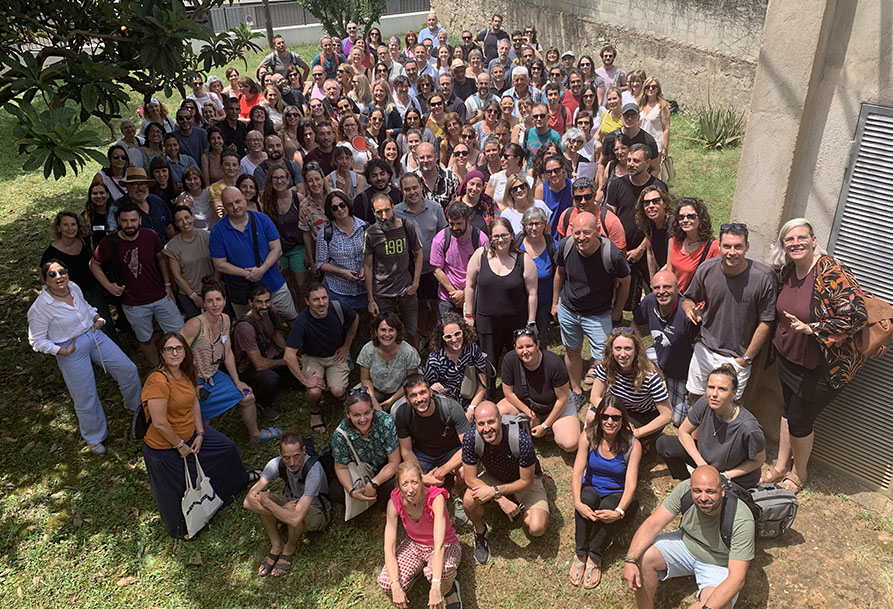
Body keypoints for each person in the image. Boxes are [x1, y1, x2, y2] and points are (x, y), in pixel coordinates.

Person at [762, 218, 869, 494]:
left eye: (801, 238)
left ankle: (799, 473)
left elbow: (856, 315)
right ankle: (782, 465)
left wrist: (814, 328)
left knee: (800, 419)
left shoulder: (830, 271)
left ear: (814, 241)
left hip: (821, 366)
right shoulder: (789, 270)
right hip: (788, 357)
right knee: (788, 409)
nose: (796, 243)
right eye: (789, 239)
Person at [141, 332, 250, 539]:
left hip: (191, 432)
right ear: (162, 353)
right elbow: (160, 422)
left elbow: (194, 404)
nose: (175, 353)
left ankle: (231, 489)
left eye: (179, 348)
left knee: (226, 448)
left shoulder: (186, 372)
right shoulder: (157, 381)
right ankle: (183, 528)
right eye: (169, 349)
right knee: (177, 488)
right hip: (165, 445)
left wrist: (200, 432)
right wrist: (179, 445)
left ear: (185, 351)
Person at [28, 259, 141, 455]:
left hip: (94, 335)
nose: (59, 277)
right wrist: (61, 351)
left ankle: (136, 407)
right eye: (52, 274)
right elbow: (36, 340)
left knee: (127, 369)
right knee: (85, 395)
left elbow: (85, 307)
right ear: (45, 279)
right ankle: (94, 438)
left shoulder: (73, 287)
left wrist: (96, 317)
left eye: (62, 271)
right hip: (69, 348)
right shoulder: (40, 307)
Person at [622, 466, 754, 609]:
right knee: (643, 556)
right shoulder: (684, 490)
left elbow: (737, 578)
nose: (703, 498)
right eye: (697, 491)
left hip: (718, 563)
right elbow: (653, 524)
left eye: (710, 492)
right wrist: (630, 559)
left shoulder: (741, 519)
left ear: (722, 490)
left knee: (719, 605)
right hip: (685, 543)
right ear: (691, 488)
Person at [682, 223, 776, 400]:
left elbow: (766, 322)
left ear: (747, 247)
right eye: (727, 246)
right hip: (705, 349)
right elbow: (688, 298)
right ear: (719, 246)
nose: (732, 252)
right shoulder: (707, 269)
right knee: (695, 399)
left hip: (737, 358)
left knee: (727, 408)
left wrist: (745, 359)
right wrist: (689, 309)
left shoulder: (764, 278)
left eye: (738, 247)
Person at [180, 281, 278, 444]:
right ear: (204, 303)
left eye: (218, 299)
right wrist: (193, 384)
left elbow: (227, 352)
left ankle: (255, 435)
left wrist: (237, 381)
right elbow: (176, 355)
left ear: (225, 300)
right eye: (210, 301)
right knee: (202, 417)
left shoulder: (225, 320)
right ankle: (205, 446)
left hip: (213, 374)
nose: (215, 304)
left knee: (247, 397)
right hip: (191, 378)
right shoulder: (194, 325)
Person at [552, 212, 631, 410]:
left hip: (598, 314)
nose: (581, 237)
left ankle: (600, 397)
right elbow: (560, 273)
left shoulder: (612, 254)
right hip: (569, 309)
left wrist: (618, 309)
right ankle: (577, 391)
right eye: (577, 232)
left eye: (586, 232)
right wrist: (555, 303)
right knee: (572, 351)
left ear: (598, 230)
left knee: (605, 357)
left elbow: (625, 281)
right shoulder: (566, 246)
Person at [90, 203, 184, 365]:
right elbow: (93, 264)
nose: (129, 224)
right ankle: (159, 368)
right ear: (118, 221)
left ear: (140, 220)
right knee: (145, 338)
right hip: (133, 303)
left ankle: (184, 366)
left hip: (160, 295)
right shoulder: (109, 243)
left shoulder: (150, 235)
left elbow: (161, 257)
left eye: (133, 220)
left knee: (179, 333)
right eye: (125, 221)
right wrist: (108, 285)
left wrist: (167, 284)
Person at [462, 401, 549, 564]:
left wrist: (494, 491)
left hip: (523, 479)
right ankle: (480, 531)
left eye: (491, 422)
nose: (487, 428)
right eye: (481, 424)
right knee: (468, 500)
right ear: (475, 424)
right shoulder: (470, 438)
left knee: (537, 527)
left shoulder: (521, 440)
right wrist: (499, 497)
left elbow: (527, 482)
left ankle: (517, 501)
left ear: (500, 419)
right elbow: (470, 479)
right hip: (494, 476)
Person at [657, 365, 767, 489]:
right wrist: (702, 465)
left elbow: (758, 460)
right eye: (711, 387)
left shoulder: (748, 428)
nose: (714, 394)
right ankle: (691, 482)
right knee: (665, 444)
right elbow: (683, 431)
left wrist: (726, 475)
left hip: (732, 475)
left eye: (722, 389)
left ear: (734, 394)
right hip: (705, 462)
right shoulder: (705, 402)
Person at [571, 396, 641, 589]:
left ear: (623, 419)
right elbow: (577, 472)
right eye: (605, 416)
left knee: (609, 508)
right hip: (592, 487)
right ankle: (580, 553)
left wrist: (618, 512)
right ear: (599, 417)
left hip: (617, 492)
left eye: (616, 418)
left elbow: (631, 485)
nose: (610, 422)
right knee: (585, 498)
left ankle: (595, 555)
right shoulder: (588, 436)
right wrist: (577, 502)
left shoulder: (633, 445)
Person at [464, 217, 539, 390]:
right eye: (496, 236)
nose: (500, 239)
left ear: (512, 235)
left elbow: (532, 293)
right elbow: (469, 286)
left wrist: (531, 321)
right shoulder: (480, 255)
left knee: (520, 359)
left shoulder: (523, 259)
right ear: (490, 238)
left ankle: (520, 393)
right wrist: (469, 315)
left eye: (504, 235)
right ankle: (486, 395)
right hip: (486, 322)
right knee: (487, 361)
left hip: (516, 321)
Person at [243, 433, 331, 578]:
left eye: (296, 456)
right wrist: (280, 510)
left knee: (290, 511)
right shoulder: (275, 464)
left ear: (303, 451)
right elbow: (247, 502)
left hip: (316, 509)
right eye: (287, 458)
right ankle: (276, 545)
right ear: (280, 454)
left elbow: (295, 519)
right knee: (263, 498)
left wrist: (270, 506)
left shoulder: (313, 469)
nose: (292, 462)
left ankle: (290, 547)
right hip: (290, 502)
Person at [379, 460, 464, 609]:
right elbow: (389, 548)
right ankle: (416, 574)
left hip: (445, 544)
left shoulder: (435, 498)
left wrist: (436, 585)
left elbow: (439, 545)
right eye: (405, 484)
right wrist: (395, 584)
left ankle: (449, 590)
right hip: (414, 544)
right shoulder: (394, 502)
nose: (410, 489)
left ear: (422, 481)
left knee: (442, 573)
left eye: (414, 482)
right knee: (386, 583)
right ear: (398, 486)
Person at [209, 187, 299, 321]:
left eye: (238, 201)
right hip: (243, 291)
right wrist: (247, 274)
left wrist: (262, 270)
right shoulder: (218, 231)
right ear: (224, 206)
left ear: (244, 199)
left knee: (290, 317)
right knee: (247, 326)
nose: (235, 207)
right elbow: (219, 264)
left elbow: (277, 249)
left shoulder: (262, 219)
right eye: (229, 204)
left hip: (273, 284)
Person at [283, 279, 357, 432]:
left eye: (324, 298)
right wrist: (305, 380)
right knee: (313, 391)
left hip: (336, 355)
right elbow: (288, 356)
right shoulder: (302, 321)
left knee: (337, 391)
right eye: (316, 299)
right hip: (313, 357)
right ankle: (315, 412)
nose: (322, 303)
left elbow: (355, 319)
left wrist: (346, 346)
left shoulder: (338, 308)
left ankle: (340, 391)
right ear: (307, 302)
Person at [42, 211, 120, 345]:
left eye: (73, 224)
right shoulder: (51, 253)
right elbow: (45, 279)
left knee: (104, 323)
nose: (70, 228)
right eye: (65, 225)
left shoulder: (83, 242)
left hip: (93, 290)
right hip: (72, 296)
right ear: (58, 228)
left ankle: (113, 350)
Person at [498, 327, 581, 452]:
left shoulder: (554, 363)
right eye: (520, 347)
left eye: (529, 346)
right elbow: (508, 393)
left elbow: (562, 399)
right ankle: (526, 426)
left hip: (556, 404)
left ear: (537, 345)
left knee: (570, 443)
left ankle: (551, 427)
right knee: (497, 414)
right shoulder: (509, 360)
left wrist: (545, 425)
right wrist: (531, 415)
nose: (525, 351)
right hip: (527, 402)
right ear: (515, 347)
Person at [633, 270, 699, 425]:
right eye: (657, 287)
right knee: (630, 360)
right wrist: (638, 349)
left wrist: (694, 384)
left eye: (667, 287)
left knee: (678, 420)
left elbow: (697, 353)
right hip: (659, 358)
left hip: (682, 373)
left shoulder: (687, 315)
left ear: (677, 287)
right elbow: (634, 322)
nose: (661, 292)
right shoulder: (649, 301)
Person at [587, 330, 673, 442]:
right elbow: (594, 397)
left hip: (645, 415)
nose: (622, 354)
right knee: (591, 417)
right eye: (618, 348)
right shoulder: (607, 366)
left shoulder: (650, 376)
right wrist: (616, 416)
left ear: (636, 350)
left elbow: (667, 415)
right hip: (620, 409)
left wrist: (637, 432)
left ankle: (639, 443)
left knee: (622, 435)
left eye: (628, 348)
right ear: (611, 350)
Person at [233, 283, 298, 422]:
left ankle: (283, 382)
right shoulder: (245, 327)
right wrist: (286, 361)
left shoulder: (272, 311)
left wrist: (290, 353)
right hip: (250, 366)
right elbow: (259, 364)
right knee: (270, 378)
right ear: (250, 302)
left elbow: (275, 334)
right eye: (259, 302)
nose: (264, 306)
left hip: (270, 355)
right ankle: (264, 404)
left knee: (298, 373)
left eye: (267, 301)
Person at [364, 193, 424, 345]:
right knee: (387, 335)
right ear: (373, 212)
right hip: (383, 295)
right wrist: (371, 299)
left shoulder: (407, 226)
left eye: (387, 210)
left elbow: (418, 253)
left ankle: (415, 358)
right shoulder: (370, 234)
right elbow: (368, 266)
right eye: (379, 212)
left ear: (393, 207)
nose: (384, 216)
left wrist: (416, 283)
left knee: (412, 331)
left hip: (406, 292)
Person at [395, 172, 447, 342]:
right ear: (401, 190)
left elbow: (443, 234)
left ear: (421, 187)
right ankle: (423, 333)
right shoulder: (396, 211)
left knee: (436, 302)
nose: (412, 192)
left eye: (415, 187)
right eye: (407, 189)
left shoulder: (435, 208)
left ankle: (437, 334)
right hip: (409, 268)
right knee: (419, 303)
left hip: (434, 267)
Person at [331, 388, 401, 508]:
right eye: (356, 415)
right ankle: (367, 496)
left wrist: (374, 483)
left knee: (393, 483)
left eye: (367, 413)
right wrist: (352, 491)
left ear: (373, 410)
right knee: (336, 491)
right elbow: (341, 467)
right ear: (348, 414)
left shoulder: (386, 422)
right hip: (360, 469)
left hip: (383, 467)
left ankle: (376, 497)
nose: (363, 419)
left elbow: (394, 462)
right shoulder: (341, 434)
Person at [431, 202, 489, 317]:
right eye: (451, 224)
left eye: (459, 224)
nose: (455, 228)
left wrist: (464, 293)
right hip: (448, 297)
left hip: (473, 295)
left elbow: (485, 271)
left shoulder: (481, 240)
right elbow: (437, 270)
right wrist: (454, 294)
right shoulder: (441, 239)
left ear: (468, 220)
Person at [424, 312, 489, 414]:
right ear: (442, 338)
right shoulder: (435, 359)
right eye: (448, 337)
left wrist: (471, 409)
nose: (454, 339)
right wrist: (432, 386)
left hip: (472, 400)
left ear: (463, 331)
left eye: (457, 334)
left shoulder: (472, 350)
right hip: (447, 405)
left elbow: (483, 385)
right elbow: (425, 387)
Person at [316, 190, 369, 311]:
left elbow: (375, 254)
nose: (340, 209)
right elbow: (321, 263)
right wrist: (342, 272)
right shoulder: (325, 233)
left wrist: (366, 268)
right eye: (334, 208)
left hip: (365, 288)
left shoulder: (365, 227)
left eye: (342, 205)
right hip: (338, 290)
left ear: (348, 205)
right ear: (330, 212)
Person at [358, 313, 421, 412]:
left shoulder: (408, 352)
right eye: (383, 330)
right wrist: (373, 400)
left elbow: (410, 382)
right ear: (376, 331)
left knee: (396, 412)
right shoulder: (368, 350)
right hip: (376, 389)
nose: (387, 334)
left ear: (397, 332)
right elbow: (365, 378)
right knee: (357, 401)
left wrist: (391, 401)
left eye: (391, 330)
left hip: (402, 390)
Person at [163, 205, 215, 319]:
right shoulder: (172, 246)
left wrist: (215, 286)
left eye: (187, 217)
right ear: (176, 224)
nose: (185, 222)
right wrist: (193, 296)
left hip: (213, 290)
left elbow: (218, 264)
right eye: (179, 220)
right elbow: (176, 276)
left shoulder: (208, 236)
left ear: (193, 217)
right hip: (189, 294)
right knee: (198, 327)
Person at [666, 197, 721, 294]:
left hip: (695, 300)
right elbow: (669, 270)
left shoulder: (713, 247)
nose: (685, 220)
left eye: (691, 216)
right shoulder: (675, 240)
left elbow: (716, 281)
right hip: (674, 296)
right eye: (681, 217)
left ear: (701, 218)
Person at [106, 168, 174, 244]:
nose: (140, 188)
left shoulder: (157, 201)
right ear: (127, 187)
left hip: (164, 249)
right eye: (135, 184)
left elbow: (169, 227)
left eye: (143, 184)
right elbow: (112, 235)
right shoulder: (116, 208)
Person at [555, 177, 626, 248]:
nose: (583, 201)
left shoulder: (610, 221)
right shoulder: (566, 216)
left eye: (587, 197)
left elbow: (620, 251)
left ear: (594, 196)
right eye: (578, 198)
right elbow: (561, 246)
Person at [635, 185, 673, 277]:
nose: (651, 206)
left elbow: (671, 261)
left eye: (656, 201)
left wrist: (658, 278)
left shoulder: (672, 224)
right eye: (646, 203)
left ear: (665, 203)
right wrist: (652, 280)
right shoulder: (649, 225)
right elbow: (650, 253)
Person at [534, 155, 574, 236]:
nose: (553, 174)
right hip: (549, 236)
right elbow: (538, 217)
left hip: (569, 235)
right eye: (549, 172)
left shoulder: (572, 186)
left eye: (556, 170)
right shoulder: (541, 190)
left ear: (563, 169)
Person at [416, 142, 460, 211]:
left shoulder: (450, 178)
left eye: (429, 157)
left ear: (436, 156)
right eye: (422, 157)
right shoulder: (412, 180)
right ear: (416, 159)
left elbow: (456, 206)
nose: (426, 160)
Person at [638, 77, 670, 157]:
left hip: (657, 145)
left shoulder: (662, 106)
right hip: (641, 144)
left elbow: (666, 128)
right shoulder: (640, 106)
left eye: (654, 87)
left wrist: (665, 147)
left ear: (658, 89)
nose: (650, 89)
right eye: (647, 87)